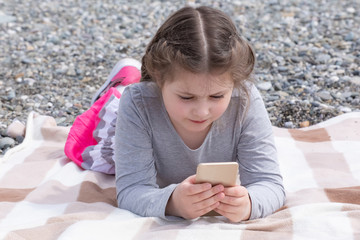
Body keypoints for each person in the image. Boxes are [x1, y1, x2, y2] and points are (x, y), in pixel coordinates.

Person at [65, 5, 285, 223]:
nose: (202, 111)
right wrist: (173, 203)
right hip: (129, 110)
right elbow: (131, 190)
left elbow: (270, 184)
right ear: (159, 77)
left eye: (217, 96)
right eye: (187, 97)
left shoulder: (245, 100)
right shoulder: (138, 104)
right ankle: (120, 83)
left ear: (234, 83)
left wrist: (249, 203)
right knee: (98, 145)